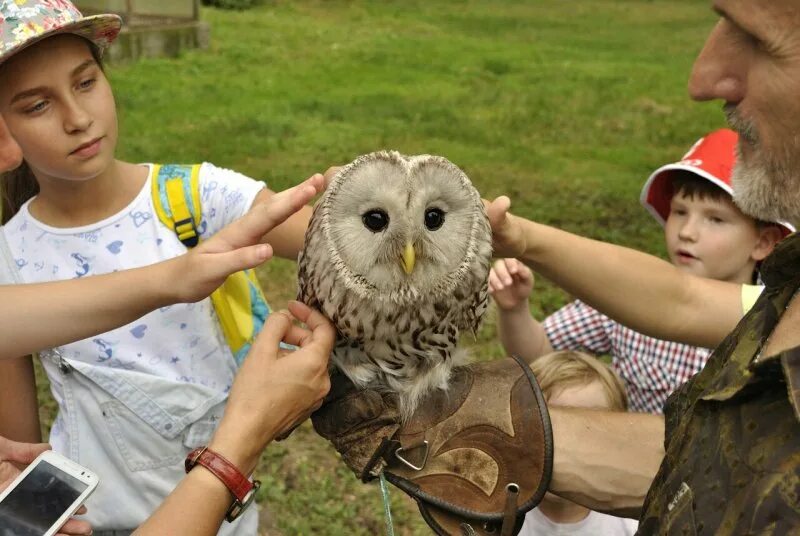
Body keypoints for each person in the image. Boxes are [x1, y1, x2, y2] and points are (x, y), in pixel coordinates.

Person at [314, 1, 800, 532]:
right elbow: (684, 309)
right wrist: (513, 237)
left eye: (756, 38)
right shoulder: (782, 296)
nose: (705, 76)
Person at [0, 2, 317, 532]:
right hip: (98, 517)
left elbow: (334, 243)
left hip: (228, 509)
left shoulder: (195, 197)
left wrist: (368, 208)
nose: (78, 119)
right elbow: (20, 451)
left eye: (86, 83)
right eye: (36, 106)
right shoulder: (10, 257)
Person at [489, 129, 791, 414]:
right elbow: (540, 353)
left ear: (763, 242)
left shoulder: (782, 316)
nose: (687, 231)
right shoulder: (630, 297)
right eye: (680, 211)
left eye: (715, 220)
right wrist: (515, 310)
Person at [518, 351, 638, 536]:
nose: (564, 447)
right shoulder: (494, 519)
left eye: (588, 431)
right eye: (548, 426)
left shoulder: (632, 526)